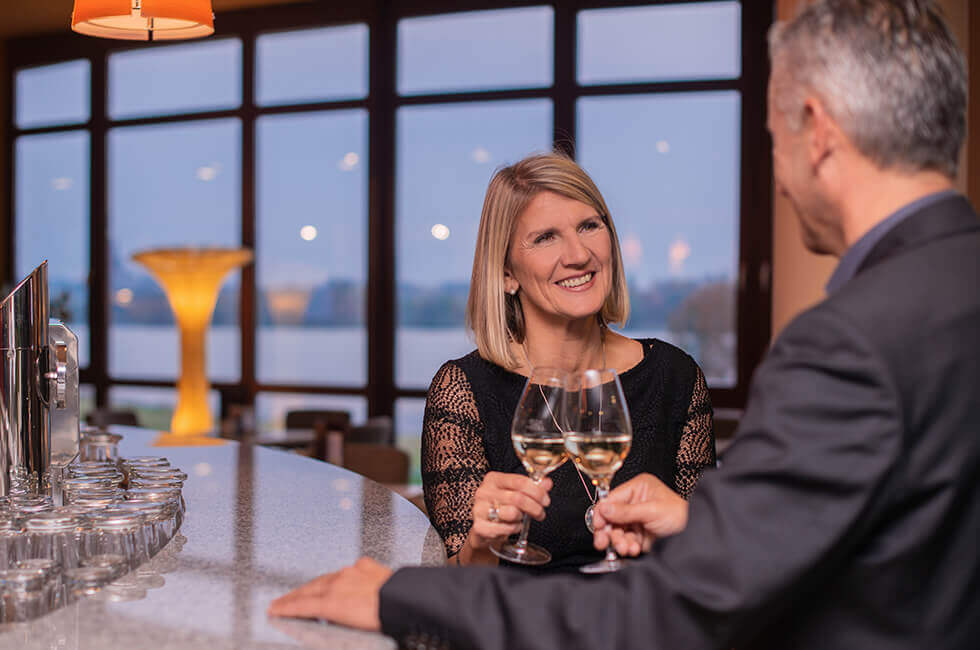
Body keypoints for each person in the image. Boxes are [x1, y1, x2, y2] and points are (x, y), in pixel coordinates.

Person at [268, 1, 980, 647]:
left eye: (773, 141)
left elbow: (678, 609)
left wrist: (403, 598)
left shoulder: (844, 343)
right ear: (506, 270)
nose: (781, 175)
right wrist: (692, 527)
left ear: (818, 132)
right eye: (547, 238)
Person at [422, 152, 715, 571]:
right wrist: (482, 543)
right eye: (545, 237)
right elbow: (458, 585)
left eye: (588, 226)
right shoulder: (462, 391)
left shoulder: (677, 377)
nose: (578, 254)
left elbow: (710, 565)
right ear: (506, 273)